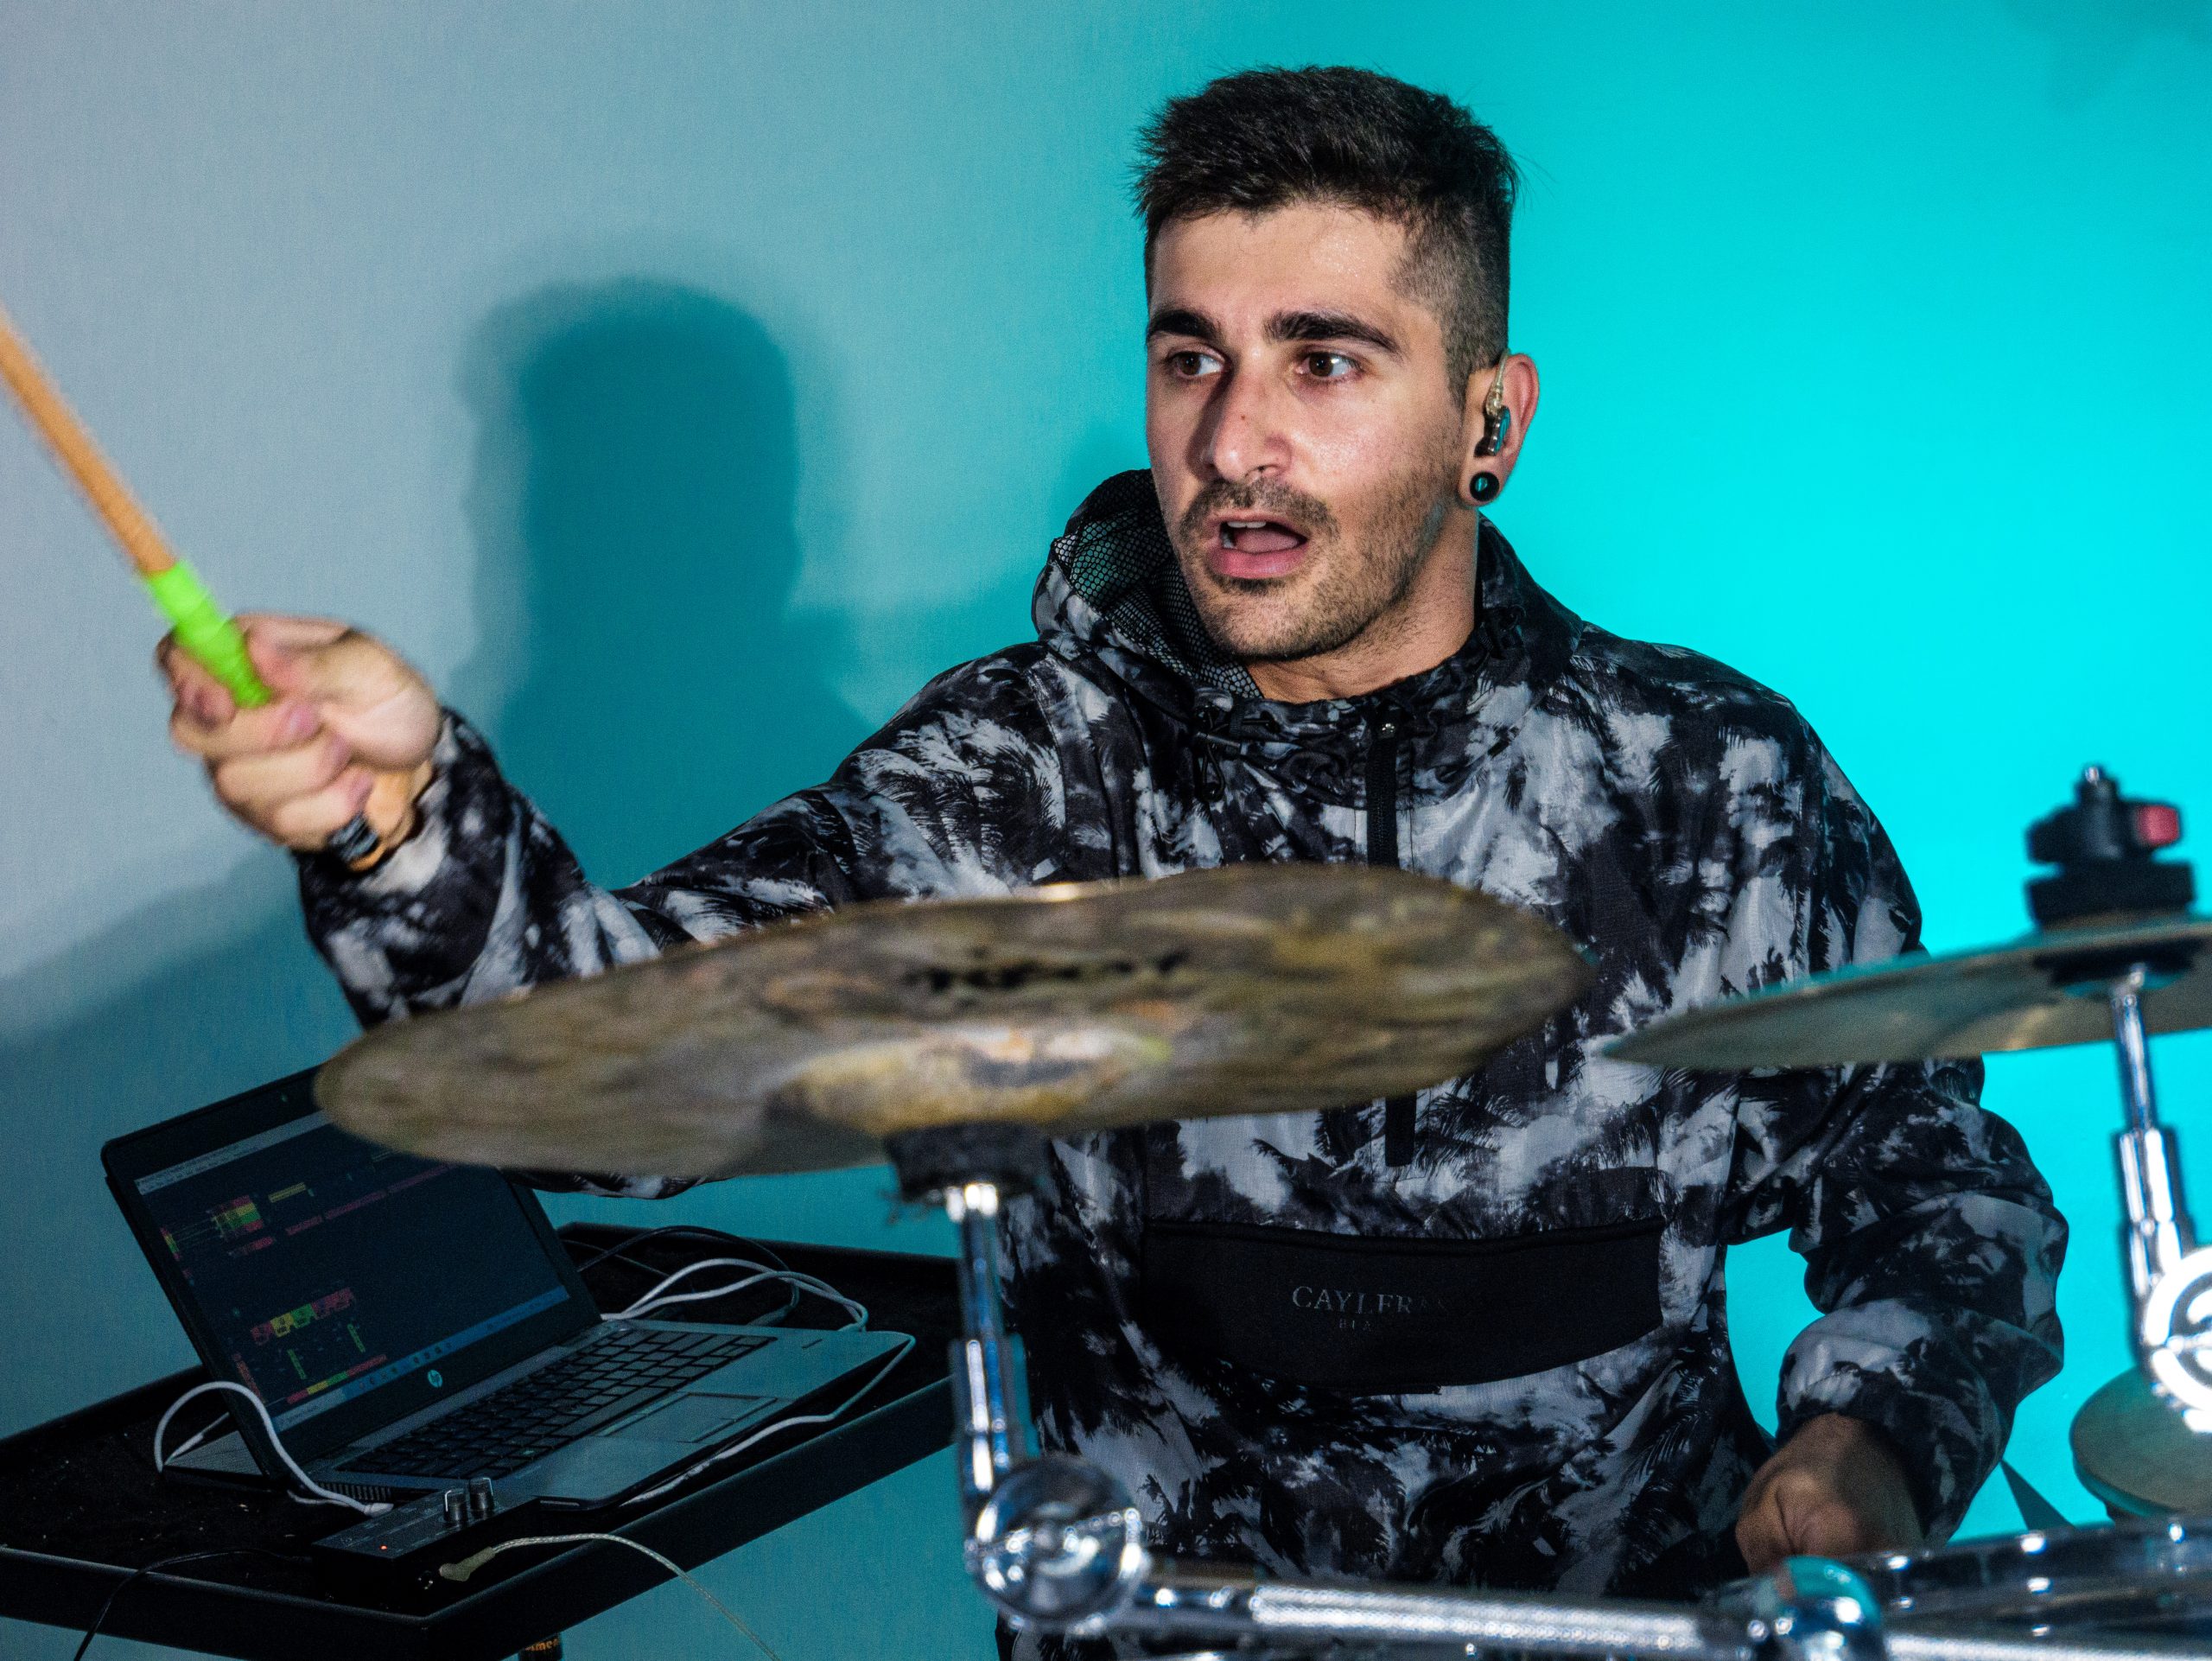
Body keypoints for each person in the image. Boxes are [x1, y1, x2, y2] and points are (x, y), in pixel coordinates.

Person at [161, 65, 2063, 1627]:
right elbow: (607, 1065)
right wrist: (391, 820)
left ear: (1486, 420)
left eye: (1323, 362)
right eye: (1188, 357)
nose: (1231, 441)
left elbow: (1937, 1196)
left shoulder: (1702, 781)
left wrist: (1869, 1444)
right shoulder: (1014, 777)